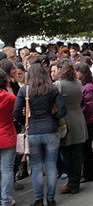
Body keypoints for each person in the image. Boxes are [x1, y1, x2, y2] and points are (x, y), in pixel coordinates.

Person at [13, 63, 67, 206]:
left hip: (32, 131)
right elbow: (63, 110)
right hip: (50, 130)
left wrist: (25, 121)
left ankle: (38, 199)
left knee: (36, 167)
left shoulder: (25, 90)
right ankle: (50, 198)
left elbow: (16, 113)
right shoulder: (52, 89)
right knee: (51, 166)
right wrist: (53, 118)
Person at [54, 59, 88, 194]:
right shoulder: (79, 83)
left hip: (65, 120)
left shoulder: (58, 85)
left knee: (66, 152)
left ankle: (72, 181)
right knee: (77, 153)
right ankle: (75, 181)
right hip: (78, 118)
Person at [74, 63, 93, 183]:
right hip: (85, 120)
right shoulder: (82, 86)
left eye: (77, 71)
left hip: (86, 121)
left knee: (86, 148)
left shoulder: (87, 87)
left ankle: (89, 173)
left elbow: (89, 106)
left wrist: (80, 114)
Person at [0, 69, 17, 206]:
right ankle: (6, 199)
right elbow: (17, 114)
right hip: (7, 136)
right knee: (7, 170)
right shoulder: (10, 97)